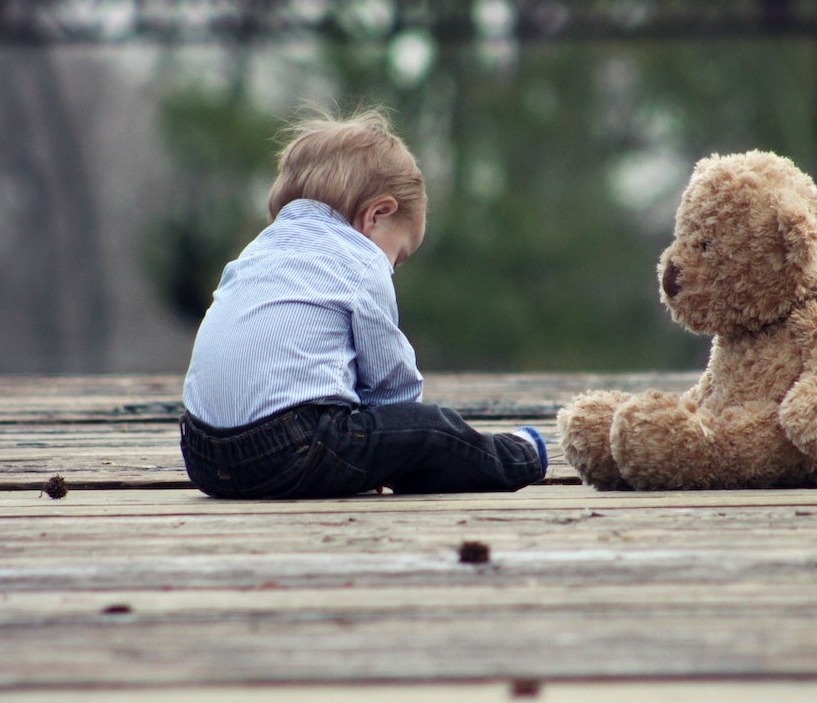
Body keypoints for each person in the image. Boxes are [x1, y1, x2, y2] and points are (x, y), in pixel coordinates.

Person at [179, 106, 547, 499]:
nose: (392, 268)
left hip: (202, 455)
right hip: (289, 451)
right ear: (377, 214)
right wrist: (400, 441)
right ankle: (520, 455)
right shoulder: (360, 259)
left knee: (378, 437)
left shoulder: (256, 252)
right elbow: (391, 385)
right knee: (432, 430)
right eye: (399, 256)